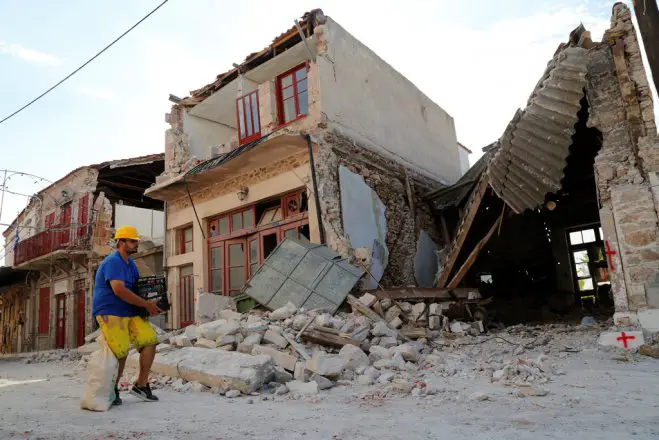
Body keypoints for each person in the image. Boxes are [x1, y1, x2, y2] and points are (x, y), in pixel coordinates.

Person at [92, 225, 161, 405]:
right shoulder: (113, 261)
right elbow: (119, 290)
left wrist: (145, 309)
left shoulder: (131, 264)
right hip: (110, 310)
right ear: (121, 242)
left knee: (150, 341)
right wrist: (146, 304)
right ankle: (112, 389)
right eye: (132, 241)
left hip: (129, 310)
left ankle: (141, 384)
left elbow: (137, 289)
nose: (135, 244)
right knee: (120, 351)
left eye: (136, 241)